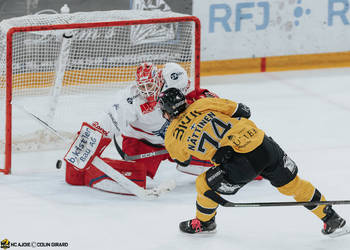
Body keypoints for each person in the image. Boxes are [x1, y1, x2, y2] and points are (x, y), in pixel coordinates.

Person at [158, 87, 348, 236]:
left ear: (166, 112)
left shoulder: (171, 136)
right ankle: (331, 217)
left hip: (240, 163)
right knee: (293, 185)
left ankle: (205, 222)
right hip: (263, 144)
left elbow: (182, 161)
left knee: (203, 185)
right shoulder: (202, 104)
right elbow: (244, 111)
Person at [64, 62, 219, 195]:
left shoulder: (174, 77)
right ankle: (90, 174)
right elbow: (107, 122)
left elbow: (198, 95)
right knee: (135, 177)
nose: (147, 91)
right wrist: (83, 149)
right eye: (142, 87)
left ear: (159, 79)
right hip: (143, 143)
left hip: (178, 138)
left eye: (150, 85)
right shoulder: (130, 100)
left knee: (216, 161)